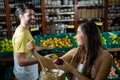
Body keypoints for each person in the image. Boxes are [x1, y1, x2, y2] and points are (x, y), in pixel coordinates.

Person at [42, 21, 113, 80]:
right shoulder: (76, 51)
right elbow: (54, 64)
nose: (76, 37)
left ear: (88, 35)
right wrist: (46, 58)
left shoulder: (106, 57)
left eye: (78, 33)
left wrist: (72, 69)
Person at [12, 3, 52, 80]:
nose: (33, 17)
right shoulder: (21, 35)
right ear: (21, 16)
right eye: (29, 15)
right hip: (26, 76)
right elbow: (21, 61)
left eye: (33, 14)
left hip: (30, 74)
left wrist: (45, 47)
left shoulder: (25, 30)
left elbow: (30, 49)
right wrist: (43, 59)